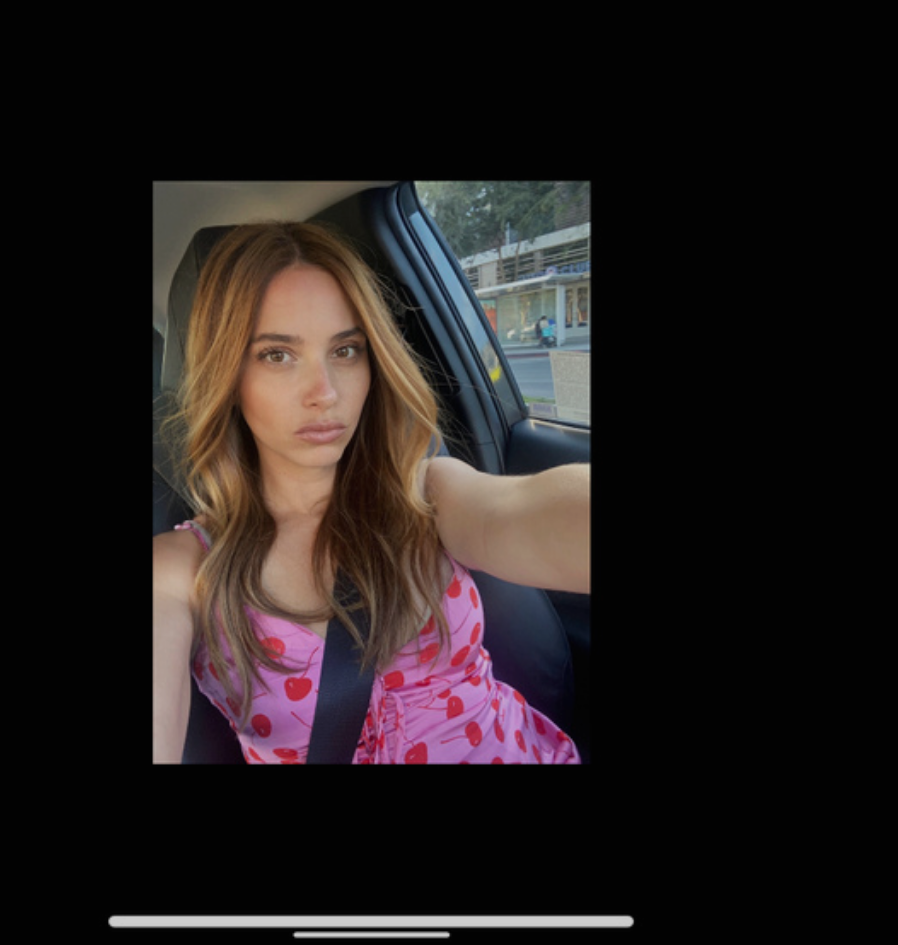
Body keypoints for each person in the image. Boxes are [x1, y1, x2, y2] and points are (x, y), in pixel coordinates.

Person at [153, 221, 589, 764]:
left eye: (346, 350)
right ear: (227, 374)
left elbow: (522, 512)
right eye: (277, 355)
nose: (326, 393)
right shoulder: (183, 569)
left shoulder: (427, 495)